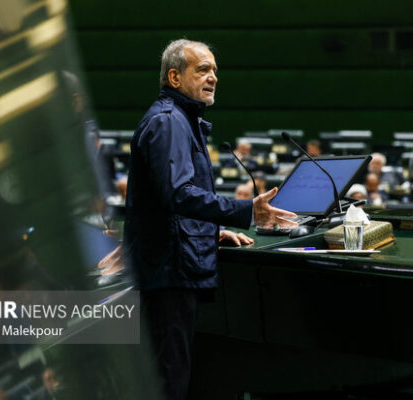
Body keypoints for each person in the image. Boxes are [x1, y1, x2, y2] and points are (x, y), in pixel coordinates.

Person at [124, 39, 297, 400]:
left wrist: (209, 230)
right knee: (168, 382)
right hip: (168, 272)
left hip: (171, 264)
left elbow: (167, 200)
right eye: (202, 69)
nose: (213, 77)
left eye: (215, 70)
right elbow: (178, 193)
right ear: (174, 77)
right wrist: (246, 211)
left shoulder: (180, 119)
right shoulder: (169, 121)